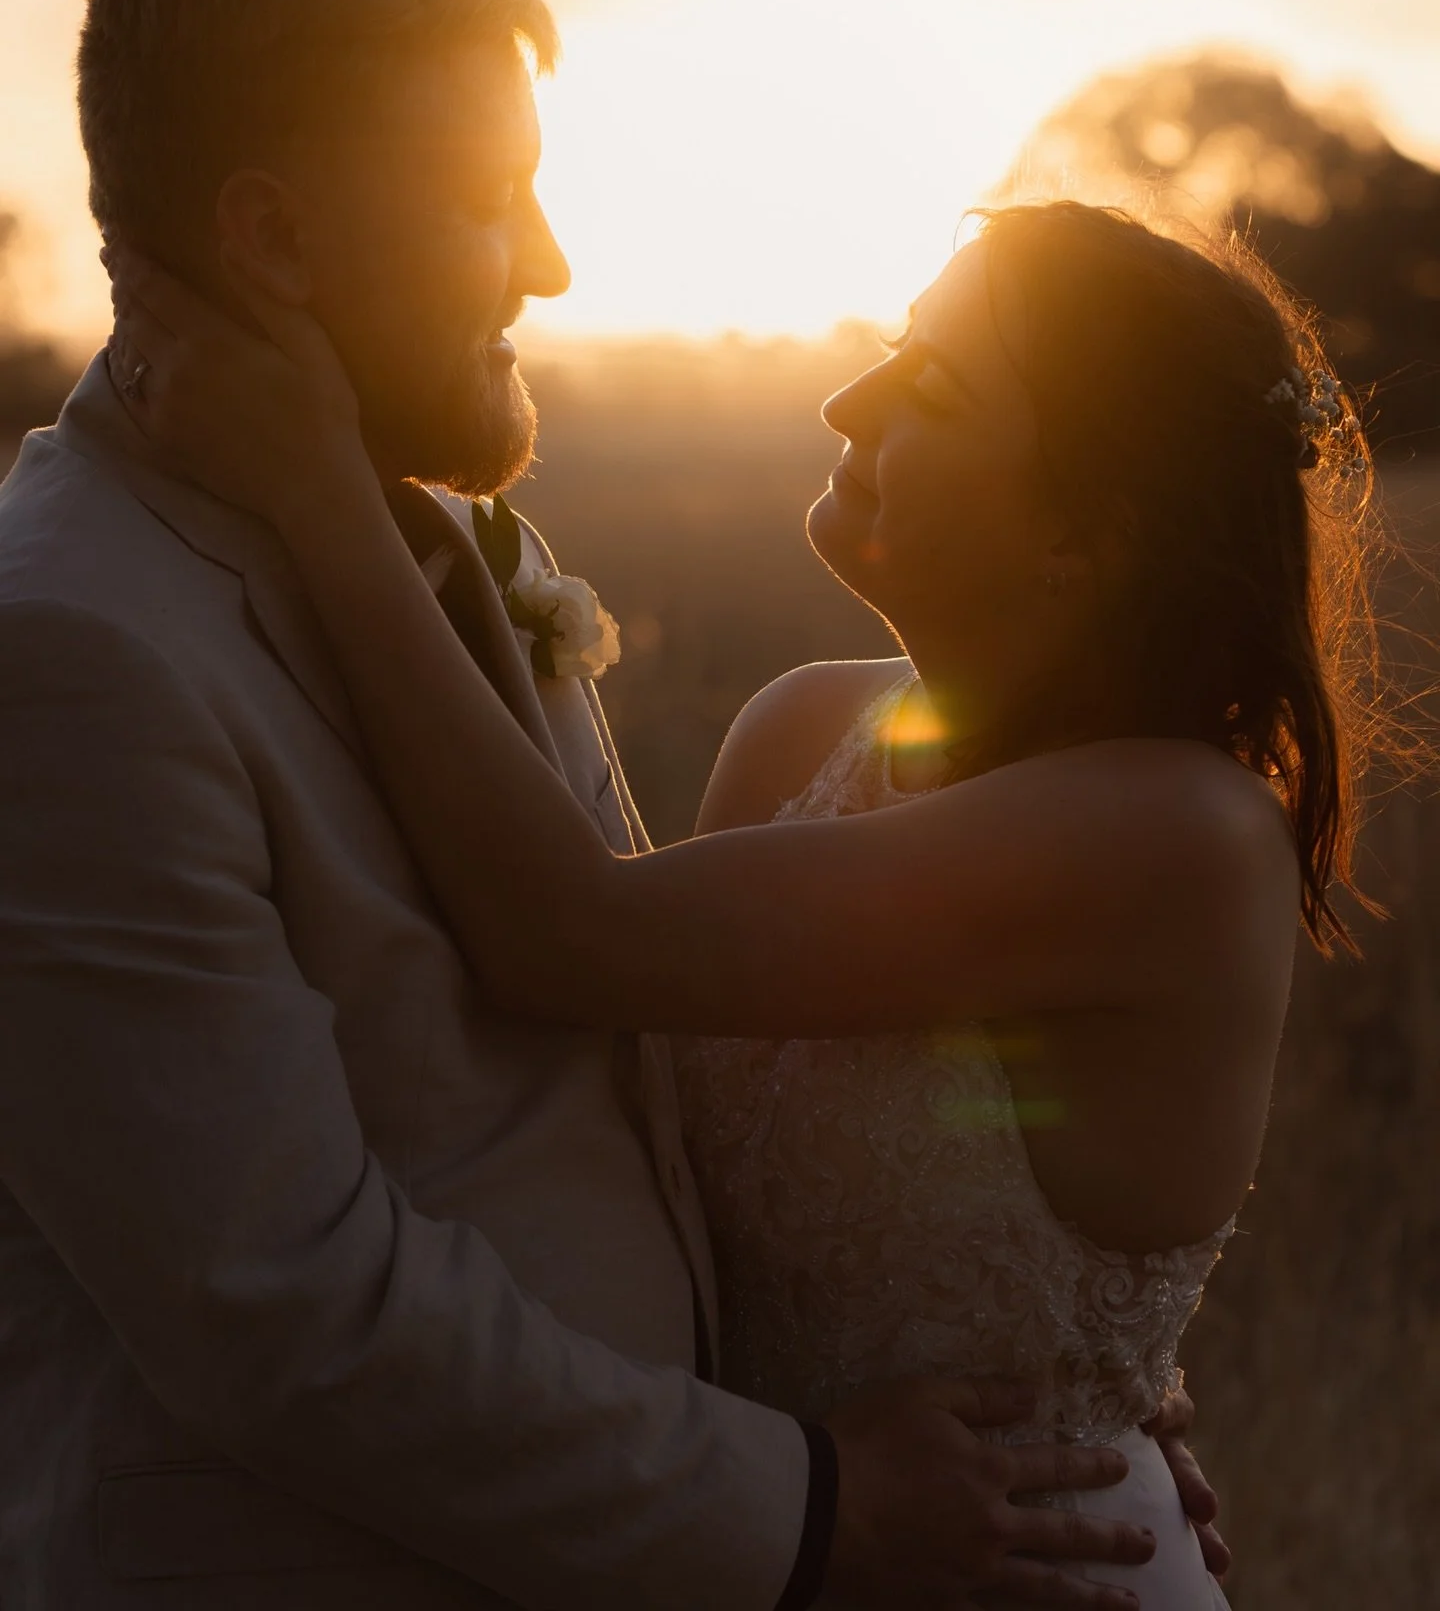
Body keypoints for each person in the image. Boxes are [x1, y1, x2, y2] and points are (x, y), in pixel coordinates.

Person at [0, 0, 1187, 1611]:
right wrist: (811, 1512)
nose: (549, 263)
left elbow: (621, 1086)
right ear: (273, 239)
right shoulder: (67, 650)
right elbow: (283, 1310)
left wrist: (1062, 1428)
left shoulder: (461, 556)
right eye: (492, 202)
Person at [106, 181, 1372, 1606]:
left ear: (1093, 528)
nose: (847, 401)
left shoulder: (1175, 831)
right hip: (792, 1544)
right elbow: (625, 1129)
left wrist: (321, 494)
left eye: (935, 386)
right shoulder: (801, 730)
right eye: (893, 342)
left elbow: (569, 936)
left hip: (1034, 1565)